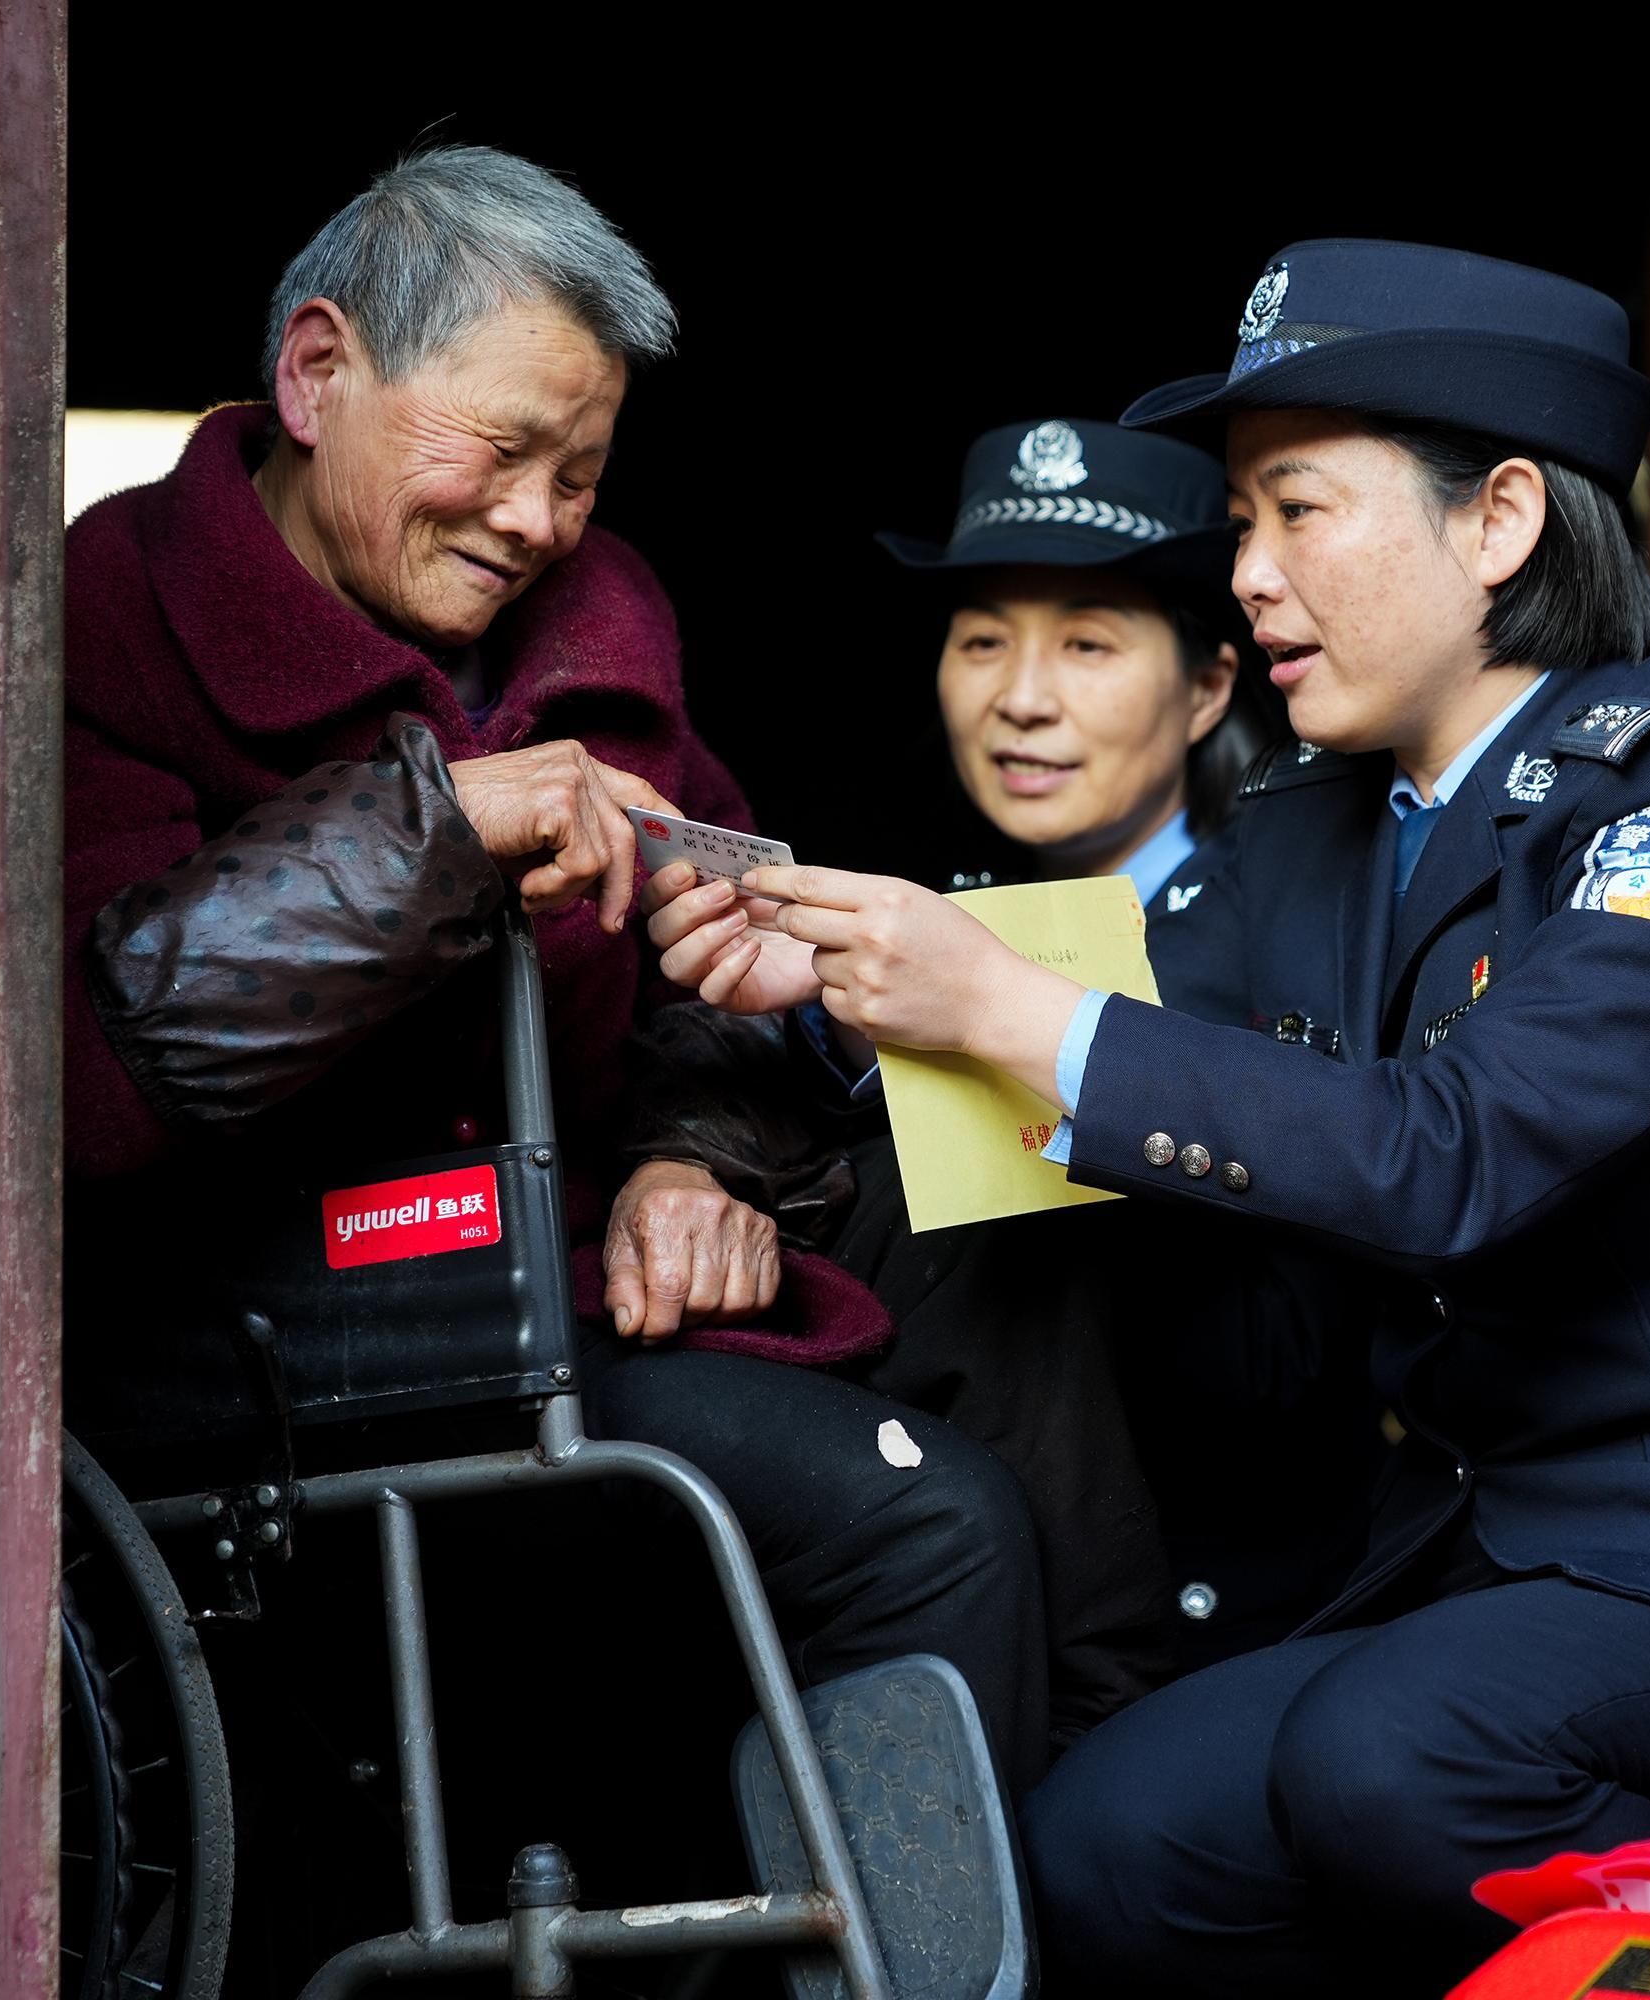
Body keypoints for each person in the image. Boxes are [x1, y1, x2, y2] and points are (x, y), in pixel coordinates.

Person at [652, 241, 1650, 1990]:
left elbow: (1456, 1151)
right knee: (1102, 1848)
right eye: (1242, 525)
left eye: (1299, 511)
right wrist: (824, 986)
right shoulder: (1315, 833)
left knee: (1394, 1762)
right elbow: (1106, 1019)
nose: (1250, 574)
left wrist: (1001, 1004)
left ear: (1501, 520)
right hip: (1492, 1573)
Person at [58, 146, 1048, 1797]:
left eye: (577, 473)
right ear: (318, 373)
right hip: (297, 1350)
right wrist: (430, 834)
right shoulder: (110, 614)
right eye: (502, 450)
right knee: (926, 1522)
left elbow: (722, 952)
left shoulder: (598, 632)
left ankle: (1108, 1810)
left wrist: (694, 1159)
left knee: (1015, 1242)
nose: (534, 520)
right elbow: (94, 1076)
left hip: (572, 1288)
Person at [638, 418, 1383, 1694]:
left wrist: (917, 1007)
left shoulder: (1289, 910)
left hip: (1232, 1605)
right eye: (983, 639)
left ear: (1209, 688)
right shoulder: (943, 908)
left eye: (1088, 644)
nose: (1022, 697)